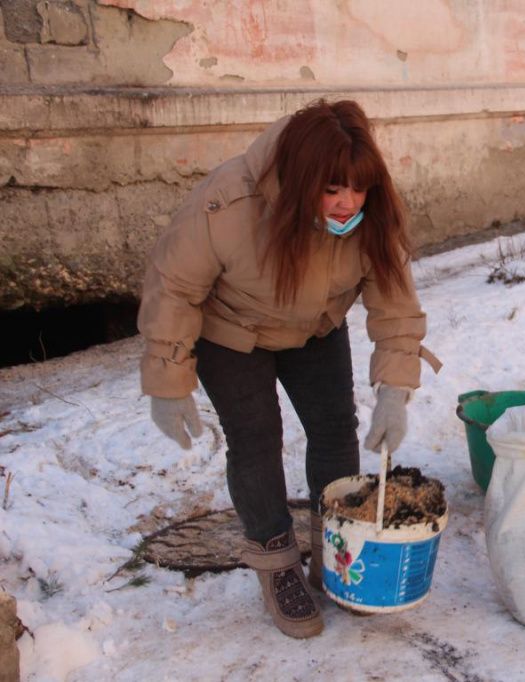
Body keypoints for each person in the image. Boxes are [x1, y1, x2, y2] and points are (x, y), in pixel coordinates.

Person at [137, 100, 440, 638]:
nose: (349, 202)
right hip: (231, 333)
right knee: (256, 438)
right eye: (332, 188)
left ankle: (335, 547)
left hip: (316, 328)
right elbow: (175, 288)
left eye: (359, 187)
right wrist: (168, 381)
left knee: (333, 428)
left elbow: (394, 303)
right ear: (300, 181)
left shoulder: (370, 217)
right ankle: (276, 562)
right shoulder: (229, 203)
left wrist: (395, 388)